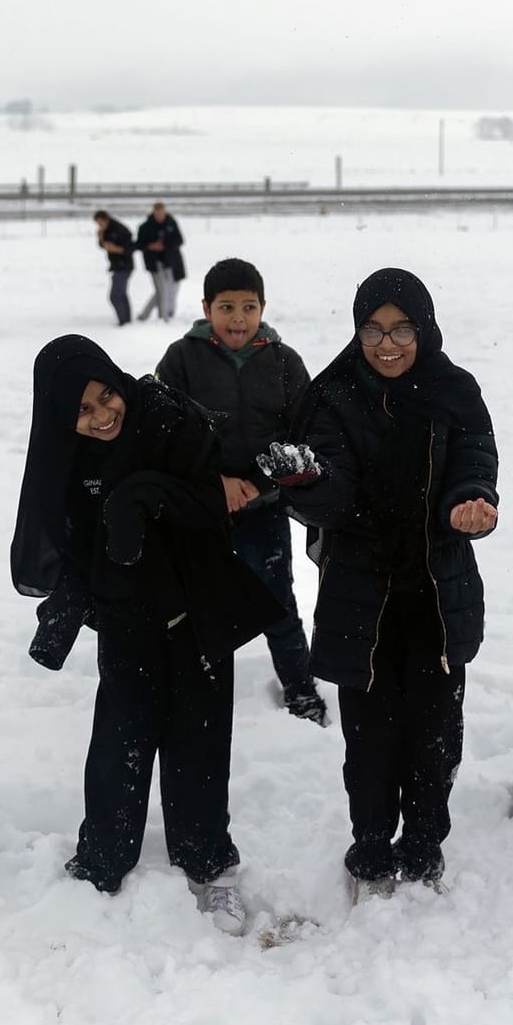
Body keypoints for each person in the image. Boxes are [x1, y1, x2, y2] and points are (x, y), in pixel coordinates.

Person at [10, 336, 281, 935]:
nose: (104, 414)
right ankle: (102, 862)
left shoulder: (165, 415)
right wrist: (67, 608)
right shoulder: (67, 459)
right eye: (83, 410)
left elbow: (212, 508)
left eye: (107, 394)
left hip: (196, 611)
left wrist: (140, 495)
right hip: (128, 619)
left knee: (200, 745)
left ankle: (208, 863)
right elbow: (75, 547)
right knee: (119, 745)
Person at [265, 268, 499, 897]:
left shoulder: (456, 390)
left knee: (436, 738)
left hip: (436, 596)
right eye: (373, 329)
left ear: (423, 328)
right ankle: (370, 853)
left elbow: (475, 459)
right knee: (369, 745)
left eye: (401, 329)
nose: (387, 343)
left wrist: (471, 500)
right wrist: (309, 480)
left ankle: (424, 849)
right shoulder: (335, 396)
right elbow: (335, 495)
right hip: (360, 602)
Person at [155, 258, 327, 725]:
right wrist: (216, 483)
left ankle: (300, 690)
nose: (238, 318)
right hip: (200, 512)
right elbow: (163, 432)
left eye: (248, 307)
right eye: (226, 307)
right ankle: (192, 690)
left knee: (277, 602)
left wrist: (257, 482)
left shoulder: (284, 362)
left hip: (263, 509)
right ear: (206, 308)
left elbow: (304, 435)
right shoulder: (181, 359)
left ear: (263, 308)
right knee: (194, 607)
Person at [134, 202, 186, 322]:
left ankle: (146, 315)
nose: (160, 215)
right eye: (157, 213)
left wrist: (165, 245)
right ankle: (163, 317)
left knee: (163, 290)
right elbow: (138, 245)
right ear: (154, 212)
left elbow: (179, 240)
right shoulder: (145, 226)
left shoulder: (171, 223)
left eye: (162, 213)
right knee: (162, 290)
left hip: (170, 262)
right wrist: (151, 246)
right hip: (154, 263)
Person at [93, 211, 135, 326]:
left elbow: (131, 247)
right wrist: (101, 238)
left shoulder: (120, 230)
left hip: (124, 266)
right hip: (117, 266)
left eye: (100, 223)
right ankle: (126, 320)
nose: (99, 226)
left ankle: (124, 321)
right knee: (121, 294)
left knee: (115, 295)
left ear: (106, 220)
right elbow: (104, 245)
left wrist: (117, 249)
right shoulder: (106, 230)